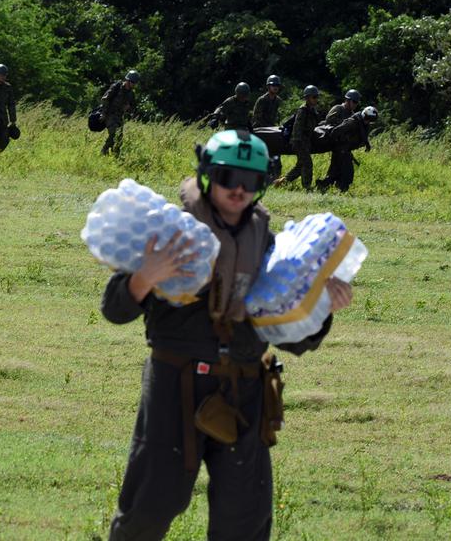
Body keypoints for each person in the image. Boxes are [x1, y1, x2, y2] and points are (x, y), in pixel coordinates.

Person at [102, 129, 353, 540]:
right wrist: (144, 277)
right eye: (227, 177)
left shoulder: (270, 245)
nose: (238, 190)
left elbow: (293, 337)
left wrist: (322, 307)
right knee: (150, 505)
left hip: (245, 388)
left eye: (250, 181)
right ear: (206, 176)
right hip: (175, 385)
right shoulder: (169, 232)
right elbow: (115, 308)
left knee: (245, 517)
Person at [318, 106, 377, 192]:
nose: (369, 121)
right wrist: (339, 145)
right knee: (347, 172)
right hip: (341, 150)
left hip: (344, 150)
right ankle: (342, 189)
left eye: (371, 120)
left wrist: (367, 144)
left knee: (335, 171)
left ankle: (324, 186)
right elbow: (336, 131)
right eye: (368, 119)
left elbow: (362, 136)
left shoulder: (363, 124)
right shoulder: (352, 122)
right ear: (364, 116)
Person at [273, 85, 321, 190]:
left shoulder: (313, 111)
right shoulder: (303, 110)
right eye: (314, 97)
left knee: (300, 166)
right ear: (307, 98)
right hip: (299, 141)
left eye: (317, 97)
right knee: (307, 164)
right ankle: (307, 187)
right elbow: (297, 127)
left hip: (306, 141)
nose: (316, 99)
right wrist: (297, 142)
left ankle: (281, 182)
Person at [317, 90, 362, 192]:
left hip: (343, 145)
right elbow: (329, 121)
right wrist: (344, 125)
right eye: (354, 101)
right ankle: (334, 186)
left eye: (357, 102)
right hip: (335, 143)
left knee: (338, 169)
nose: (355, 104)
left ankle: (328, 185)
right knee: (343, 169)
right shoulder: (338, 108)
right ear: (347, 100)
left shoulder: (352, 114)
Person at [100, 70, 139, 156]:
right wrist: (103, 113)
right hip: (109, 115)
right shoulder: (116, 87)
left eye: (135, 83)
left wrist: (128, 109)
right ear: (128, 81)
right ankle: (104, 151)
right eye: (132, 82)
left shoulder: (131, 94)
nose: (133, 84)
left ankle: (116, 156)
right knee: (114, 134)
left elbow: (133, 108)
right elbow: (105, 99)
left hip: (119, 117)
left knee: (119, 138)